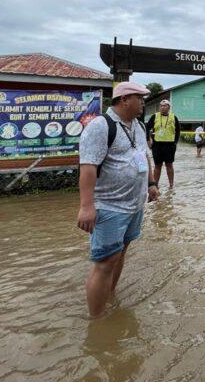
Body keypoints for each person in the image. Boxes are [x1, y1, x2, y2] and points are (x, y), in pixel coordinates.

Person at [77, 82, 159, 318]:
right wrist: (86, 207)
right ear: (124, 100)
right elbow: (88, 167)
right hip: (109, 205)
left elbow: (143, 155)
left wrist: (151, 184)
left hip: (134, 204)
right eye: (140, 98)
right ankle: (97, 322)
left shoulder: (139, 126)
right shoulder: (100, 126)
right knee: (105, 262)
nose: (143, 103)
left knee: (120, 252)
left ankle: (110, 298)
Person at [146, 99, 180, 189]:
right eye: (161, 105)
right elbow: (146, 128)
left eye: (165, 105)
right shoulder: (155, 116)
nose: (162, 107)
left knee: (169, 165)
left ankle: (171, 185)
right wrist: (148, 140)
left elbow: (178, 131)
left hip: (169, 145)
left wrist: (175, 143)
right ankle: (155, 186)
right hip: (157, 145)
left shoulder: (173, 117)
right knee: (157, 166)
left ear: (169, 107)